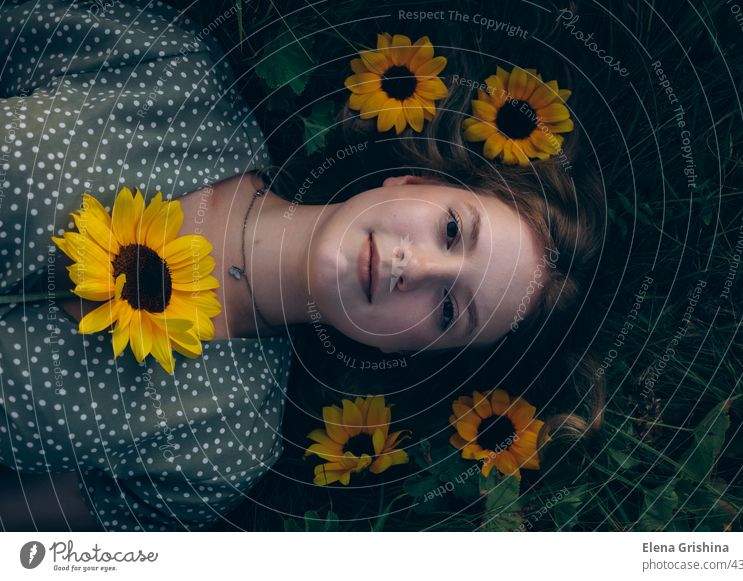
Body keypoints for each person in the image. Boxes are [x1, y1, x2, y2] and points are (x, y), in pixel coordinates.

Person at [0, 0, 606, 531]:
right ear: (414, 179)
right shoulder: (169, 76)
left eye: (448, 309)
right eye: (451, 229)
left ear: (411, 352)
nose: (414, 267)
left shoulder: (219, 450)